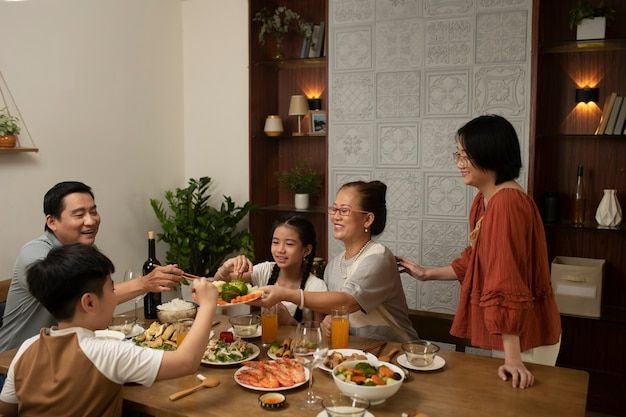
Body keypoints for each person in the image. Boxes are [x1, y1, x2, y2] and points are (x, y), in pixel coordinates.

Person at [396, 114, 561, 389]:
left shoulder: (505, 204)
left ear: (490, 154)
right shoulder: (486, 200)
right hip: (514, 335)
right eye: (458, 155)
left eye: (466, 156)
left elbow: (505, 278)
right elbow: (477, 260)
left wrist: (513, 358)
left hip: (522, 336)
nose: (459, 164)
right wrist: (426, 273)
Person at [0, 243, 217, 417]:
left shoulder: (26, 350)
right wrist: (208, 305)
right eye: (111, 289)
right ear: (89, 303)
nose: (115, 296)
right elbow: (186, 362)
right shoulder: (105, 352)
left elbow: (6, 411)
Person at [0, 181, 183, 352]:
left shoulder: (86, 249)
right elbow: (79, 297)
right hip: (17, 360)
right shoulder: (35, 254)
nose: (91, 221)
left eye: (93, 212)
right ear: (52, 222)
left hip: (66, 352)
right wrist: (144, 283)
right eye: (79, 215)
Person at [257, 181, 418, 342]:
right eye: (334, 209)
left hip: (397, 352)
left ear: (367, 219)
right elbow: (334, 315)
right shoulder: (333, 265)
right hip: (353, 354)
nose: (335, 216)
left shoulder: (379, 257)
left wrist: (286, 294)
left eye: (344, 210)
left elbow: (348, 302)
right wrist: (328, 323)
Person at [215, 215, 327, 324]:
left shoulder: (317, 286)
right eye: (275, 242)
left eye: (289, 244)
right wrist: (225, 268)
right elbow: (218, 285)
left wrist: (289, 321)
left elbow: (320, 334)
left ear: (306, 250)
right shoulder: (265, 270)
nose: (280, 250)